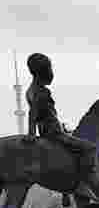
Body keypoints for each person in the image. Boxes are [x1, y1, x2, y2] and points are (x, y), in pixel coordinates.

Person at [24, 53, 95, 200]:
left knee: (68, 152)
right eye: (50, 68)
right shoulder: (41, 91)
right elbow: (33, 113)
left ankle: (66, 193)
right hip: (54, 132)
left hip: (48, 130)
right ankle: (80, 185)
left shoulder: (30, 90)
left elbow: (35, 113)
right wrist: (31, 133)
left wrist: (33, 132)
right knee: (89, 148)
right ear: (43, 71)